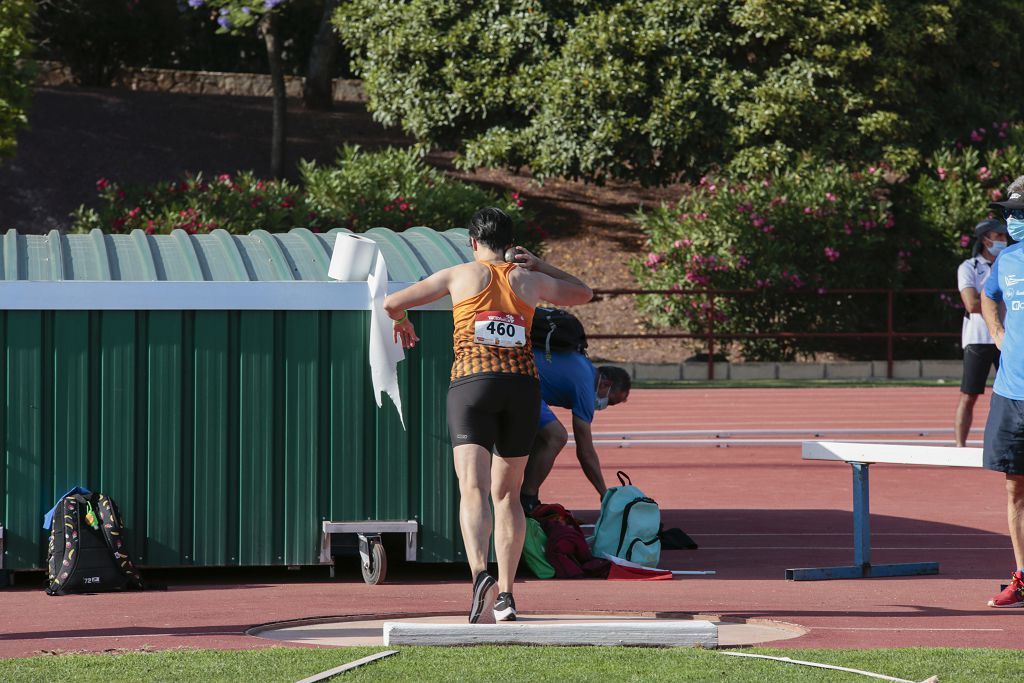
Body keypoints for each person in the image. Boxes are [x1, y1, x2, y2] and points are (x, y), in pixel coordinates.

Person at [383, 207, 592, 623]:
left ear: (473, 243)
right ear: (511, 244)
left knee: (472, 488)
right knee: (507, 496)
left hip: (472, 386)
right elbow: (583, 293)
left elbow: (392, 301)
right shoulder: (530, 279)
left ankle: (480, 574)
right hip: (520, 388)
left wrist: (403, 320)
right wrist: (538, 263)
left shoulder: (459, 275)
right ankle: (508, 595)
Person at [980, 175, 1024, 607]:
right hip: (1011, 394)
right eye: (1009, 214)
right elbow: (988, 295)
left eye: (1019, 214)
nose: (1012, 221)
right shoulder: (1007, 261)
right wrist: (995, 329)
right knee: (1015, 489)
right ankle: (1023, 577)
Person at [520, 352, 632, 511]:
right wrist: (604, 493)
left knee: (542, 437)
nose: (605, 406)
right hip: (521, 383)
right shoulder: (586, 387)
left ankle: (528, 497)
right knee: (557, 436)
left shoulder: (584, 365)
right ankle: (526, 501)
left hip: (517, 376)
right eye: (611, 402)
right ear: (605, 384)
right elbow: (585, 452)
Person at [955, 218, 1008, 446]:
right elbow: (971, 304)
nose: (1004, 241)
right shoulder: (969, 267)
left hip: (1006, 338)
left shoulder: (1010, 264)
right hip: (978, 339)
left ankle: (1003, 443)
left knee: (1010, 395)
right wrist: (1001, 303)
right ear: (986, 239)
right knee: (969, 394)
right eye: (999, 237)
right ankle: (959, 446)